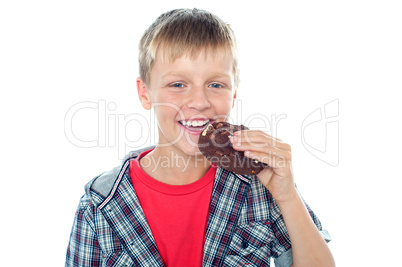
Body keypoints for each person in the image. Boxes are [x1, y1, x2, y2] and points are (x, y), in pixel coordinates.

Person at [65, 8, 334, 266]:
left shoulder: (259, 184)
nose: (199, 101)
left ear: (234, 92)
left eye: (216, 85)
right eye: (178, 85)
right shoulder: (99, 204)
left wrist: (287, 196)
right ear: (145, 93)